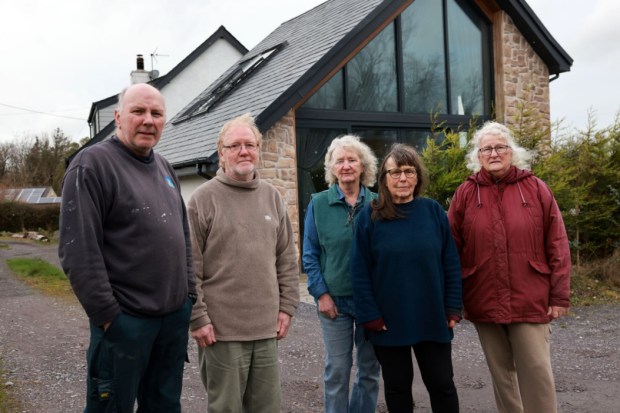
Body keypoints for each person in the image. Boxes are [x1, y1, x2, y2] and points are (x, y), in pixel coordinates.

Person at [58, 83, 196, 412]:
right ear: (119, 117)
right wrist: (110, 320)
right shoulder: (91, 165)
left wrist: (188, 296)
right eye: (138, 111)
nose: (148, 120)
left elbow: (183, 236)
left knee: (164, 406)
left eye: (156, 113)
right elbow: (78, 253)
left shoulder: (164, 167)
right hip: (125, 324)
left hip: (171, 323)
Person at [447, 121, 570, 413]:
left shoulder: (536, 189)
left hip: (530, 295)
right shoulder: (466, 193)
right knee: (502, 377)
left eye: (500, 147)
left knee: (536, 371)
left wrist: (559, 295)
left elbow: (558, 242)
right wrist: (453, 299)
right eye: (486, 148)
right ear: (478, 156)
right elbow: (451, 248)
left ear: (511, 152)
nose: (493, 153)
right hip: (483, 296)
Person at [187, 113, 300, 412]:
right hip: (220, 333)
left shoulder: (272, 197)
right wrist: (198, 318)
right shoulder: (202, 200)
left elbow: (286, 259)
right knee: (226, 408)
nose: (243, 151)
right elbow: (189, 267)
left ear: (258, 150)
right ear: (221, 153)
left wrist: (287, 307)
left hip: (265, 329)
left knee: (267, 408)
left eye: (249, 144)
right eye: (234, 145)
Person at [350, 143, 462, 413]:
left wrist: (453, 306)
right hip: (388, 321)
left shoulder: (433, 212)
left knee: (442, 385)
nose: (402, 178)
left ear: (418, 176)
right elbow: (359, 271)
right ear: (384, 179)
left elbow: (450, 262)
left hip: (431, 315)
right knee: (398, 390)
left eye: (409, 171)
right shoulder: (370, 215)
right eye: (395, 172)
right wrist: (371, 317)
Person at [302, 135, 381, 413]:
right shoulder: (318, 204)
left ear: (363, 166)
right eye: (340, 161)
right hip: (334, 302)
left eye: (352, 160)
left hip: (371, 302)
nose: (346, 165)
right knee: (337, 370)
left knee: (370, 371)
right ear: (332, 168)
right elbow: (310, 255)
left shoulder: (378, 204)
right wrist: (321, 294)